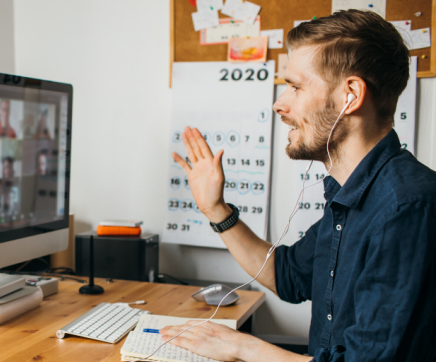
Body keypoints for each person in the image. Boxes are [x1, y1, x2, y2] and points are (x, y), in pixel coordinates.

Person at [162, 10, 436, 362]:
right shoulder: (350, 193)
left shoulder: (407, 207)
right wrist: (216, 209)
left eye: (294, 86)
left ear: (350, 95)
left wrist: (240, 346)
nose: (279, 104)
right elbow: (288, 276)